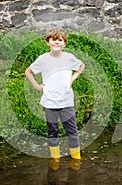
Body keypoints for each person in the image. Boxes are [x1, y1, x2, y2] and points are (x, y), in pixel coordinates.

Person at [25, 27, 85, 171]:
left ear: (64, 44)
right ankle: (55, 160)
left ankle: (76, 160)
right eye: (54, 40)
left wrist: (72, 78)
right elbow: (28, 71)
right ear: (48, 42)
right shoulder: (43, 59)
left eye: (60, 40)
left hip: (66, 101)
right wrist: (38, 87)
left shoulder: (69, 57)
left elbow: (81, 66)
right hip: (49, 101)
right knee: (52, 131)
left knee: (72, 131)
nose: (57, 43)